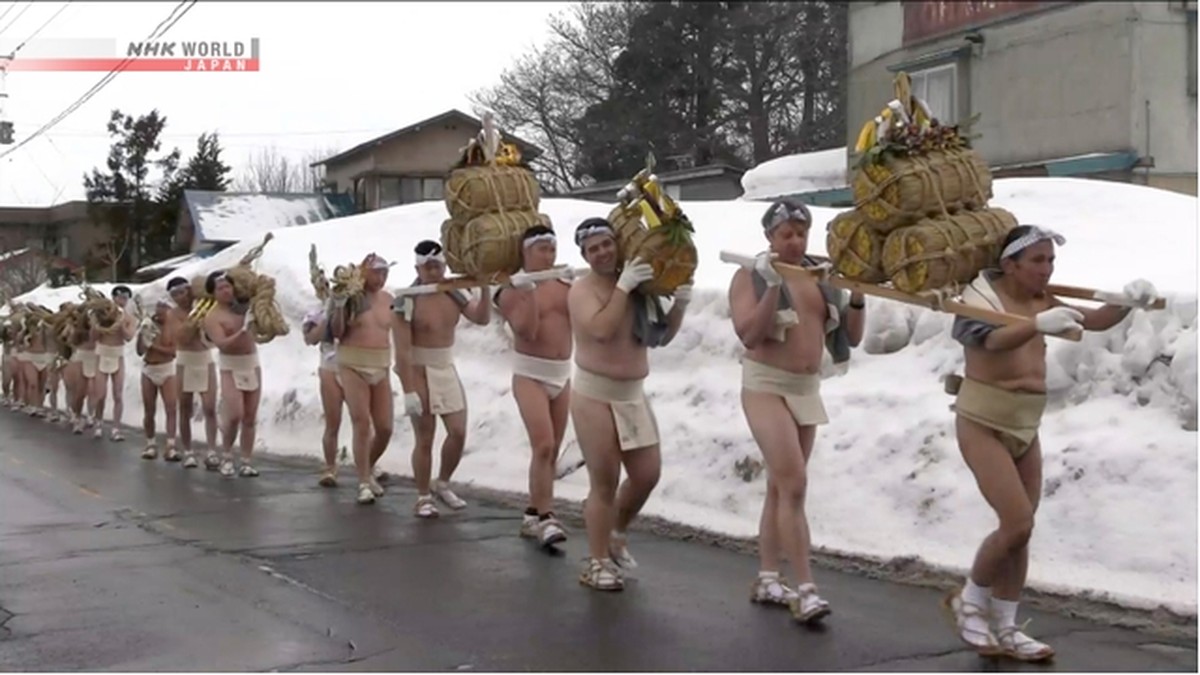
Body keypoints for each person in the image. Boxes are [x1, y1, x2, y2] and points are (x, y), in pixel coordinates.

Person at [944, 225, 1158, 661]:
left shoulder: (1043, 299)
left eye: (1051, 261)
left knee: (1022, 534)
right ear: (1010, 264)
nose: (1047, 269)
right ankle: (967, 599)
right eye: (1038, 261)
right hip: (982, 419)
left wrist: (1124, 304)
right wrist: (1035, 326)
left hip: (1026, 423)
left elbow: (1092, 320)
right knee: (1016, 522)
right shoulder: (978, 298)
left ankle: (1006, 624)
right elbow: (990, 338)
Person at [728, 199, 866, 623]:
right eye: (785, 234)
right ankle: (806, 588)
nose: (794, 241)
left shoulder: (818, 277)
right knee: (794, 483)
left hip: (807, 387)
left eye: (800, 233)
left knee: (780, 488)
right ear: (769, 237)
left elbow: (852, 337)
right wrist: (771, 287)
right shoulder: (748, 275)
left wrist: (857, 295)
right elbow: (750, 334)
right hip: (766, 385)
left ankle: (769, 576)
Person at [567, 217, 691, 591]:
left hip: (632, 394)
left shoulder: (638, 286)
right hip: (594, 394)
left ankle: (616, 531)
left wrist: (680, 302)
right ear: (585, 256)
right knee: (604, 481)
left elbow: (661, 336)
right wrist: (622, 287)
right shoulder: (581, 290)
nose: (602, 252)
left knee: (647, 474)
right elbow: (602, 330)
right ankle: (597, 560)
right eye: (593, 249)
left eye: (607, 244)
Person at [392, 240, 490, 518]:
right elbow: (401, 350)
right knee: (425, 436)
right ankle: (423, 495)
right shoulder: (407, 299)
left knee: (458, 432)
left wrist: (483, 286)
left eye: (438, 265)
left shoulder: (454, 292)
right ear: (417, 268)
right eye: (428, 266)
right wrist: (408, 389)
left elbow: (481, 318)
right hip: (418, 366)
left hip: (445, 365)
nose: (433, 271)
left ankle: (443, 482)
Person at [494, 225, 572, 547]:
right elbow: (526, 331)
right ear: (526, 252)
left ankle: (531, 511)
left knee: (551, 450)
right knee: (542, 444)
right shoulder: (511, 289)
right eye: (542, 249)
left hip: (562, 373)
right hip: (530, 374)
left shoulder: (566, 281)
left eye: (552, 248)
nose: (549, 255)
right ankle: (546, 516)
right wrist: (529, 292)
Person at [329, 253, 396, 505]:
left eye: (385, 272)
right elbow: (336, 332)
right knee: (361, 422)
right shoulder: (352, 299)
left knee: (385, 427)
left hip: (381, 364)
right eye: (377, 272)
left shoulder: (389, 299)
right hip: (352, 362)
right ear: (364, 273)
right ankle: (363, 481)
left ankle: (368, 466)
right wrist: (338, 305)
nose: (381, 277)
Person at [202, 270, 262, 478]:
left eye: (228, 286)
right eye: (221, 288)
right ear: (214, 293)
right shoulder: (213, 317)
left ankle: (246, 460)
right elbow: (222, 345)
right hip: (230, 365)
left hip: (251, 362)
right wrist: (242, 331)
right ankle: (227, 455)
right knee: (235, 414)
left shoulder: (245, 307)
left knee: (250, 416)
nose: (226, 291)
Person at [167, 277, 220, 470]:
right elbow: (179, 336)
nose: (179, 298)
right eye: (175, 295)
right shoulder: (173, 314)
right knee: (185, 407)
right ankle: (188, 450)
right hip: (185, 360)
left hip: (204, 358)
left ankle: (212, 450)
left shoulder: (204, 306)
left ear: (188, 291)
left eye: (181, 292)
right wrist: (192, 322)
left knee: (209, 407)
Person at [90, 286, 137, 441]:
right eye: (120, 297)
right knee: (100, 394)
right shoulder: (100, 315)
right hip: (102, 353)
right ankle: (98, 422)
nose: (122, 300)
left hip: (117, 355)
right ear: (114, 297)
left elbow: (129, 337)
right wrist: (102, 324)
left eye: (125, 298)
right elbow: (93, 337)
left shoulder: (129, 317)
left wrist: (121, 323)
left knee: (118, 394)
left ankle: (116, 427)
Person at [136, 298, 180, 461]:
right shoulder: (148, 324)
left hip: (167, 368)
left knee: (171, 407)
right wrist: (142, 337)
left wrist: (153, 346)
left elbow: (173, 351)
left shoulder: (174, 327)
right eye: (158, 307)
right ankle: (150, 443)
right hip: (149, 368)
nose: (160, 310)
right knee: (149, 408)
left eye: (164, 307)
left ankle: (171, 445)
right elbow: (140, 351)